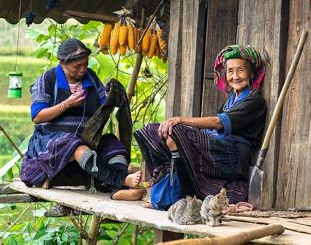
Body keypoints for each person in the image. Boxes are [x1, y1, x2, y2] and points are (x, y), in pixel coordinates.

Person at [135, 44, 267, 203]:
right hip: (218, 149)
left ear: (251, 73)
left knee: (176, 130)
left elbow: (218, 123)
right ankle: (168, 183)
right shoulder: (227, 103)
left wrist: (180, 120)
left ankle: (186, 183)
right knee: (151, 130)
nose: (235, 76)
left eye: (240, 70)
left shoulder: (254, 100)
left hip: (233, 156)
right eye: (230, 71)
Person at [20, 38, 143, 201]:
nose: (83, 69)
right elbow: (37, 116)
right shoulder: (48, 80)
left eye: (85, 64)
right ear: (62, 63)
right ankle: (122, 180)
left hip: (85, 138)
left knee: (114, 146)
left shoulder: (90, 78)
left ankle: (117, 190)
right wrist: (67, 104)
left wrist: (111, 95)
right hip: (50, 141)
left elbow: (103, 106)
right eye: (77, 66)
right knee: (75, 145)